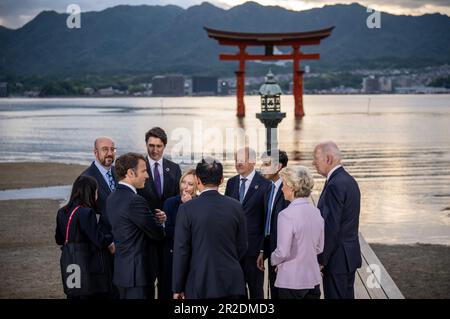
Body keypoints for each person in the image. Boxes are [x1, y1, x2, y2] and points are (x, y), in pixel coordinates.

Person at [172, 158, 247, 299]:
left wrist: (178, 287)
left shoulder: (186, 209)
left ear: (198, 180)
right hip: (231, 281)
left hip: (199, 282)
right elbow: (242, 246)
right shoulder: (236, 206)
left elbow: (181, 251)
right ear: (221, 180)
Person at [104, 152, 166, 299]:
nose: (148, 176)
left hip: (121, 273)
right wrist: (162, 223)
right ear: (131, 173)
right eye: (144, 171)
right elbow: (157, 234)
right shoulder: (135, 201)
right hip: (138, 276)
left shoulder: (112, 197)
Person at [312, 141, 362, 299]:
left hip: (336, 259)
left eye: (316, 158)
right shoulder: (348, 180)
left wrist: (321, 259)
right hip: (349, 256)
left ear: (328, 158)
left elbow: (331, 227)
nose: (313, 163)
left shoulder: (335, 185)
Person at [137, 127, 182, 298]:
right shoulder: (139, 167)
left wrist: (168, 217)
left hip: (168, 236)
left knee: (167, 282)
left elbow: (178, 200)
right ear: (146, 145)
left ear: (165, 146)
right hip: (145, 235)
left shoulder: (174, 168)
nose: (154, 150)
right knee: (146, 281)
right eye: (151, 146)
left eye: (159, 146)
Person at [55, 175, 115, 298]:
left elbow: (59, 239)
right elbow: (98, 240)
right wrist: (111, 238)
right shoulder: (86, 212)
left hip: (71, 264)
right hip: (88, 265)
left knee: (75, 293)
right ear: (91, 192)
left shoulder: (62, 212)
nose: (97, 196)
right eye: (96, 191)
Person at [270, 167, 324, 299]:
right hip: (313, 279)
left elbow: (282, 252)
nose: (282, 189)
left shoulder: (286, 215)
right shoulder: (316, 212)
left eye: (283, 185)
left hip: (291, 282)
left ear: (292, 187)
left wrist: (273, 260)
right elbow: (319, 247)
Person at [225, 147, 271, 299]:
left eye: (242, 160)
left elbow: (267, 219)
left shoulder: (265, 184)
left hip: (254, 251)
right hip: (233, 249)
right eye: (236, 160)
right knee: (237, 291)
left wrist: (263, 250)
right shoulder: (231, 183)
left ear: (252, 161)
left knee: (256, 290)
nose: (238, 163)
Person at [80, 136, 118, 297]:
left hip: (122, 243)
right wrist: (107, 241)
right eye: (105, 150)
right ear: (95, 153)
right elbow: (85, 218)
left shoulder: (119, 173)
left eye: (112, 149)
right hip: (101, 247)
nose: (109, 153)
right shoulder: (86, 178)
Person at [256, 150, 289, 299]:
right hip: (271, 247)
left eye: (266, 164)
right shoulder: (268, 188)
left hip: (284, 255)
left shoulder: (288, 191)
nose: (262, 167)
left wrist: (282, 258)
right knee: (273, 291)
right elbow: (267, 222)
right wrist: (263, 250)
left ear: (278, 167)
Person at [161, 169, 198, 299]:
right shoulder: (170, 202)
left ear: (197, 186)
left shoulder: (199, 204)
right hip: (171, 254)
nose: (185, 187)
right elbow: (168, 231)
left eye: (190, 184)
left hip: (192, 256)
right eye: (184, 182)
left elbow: (197, 232)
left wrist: (189, 206)